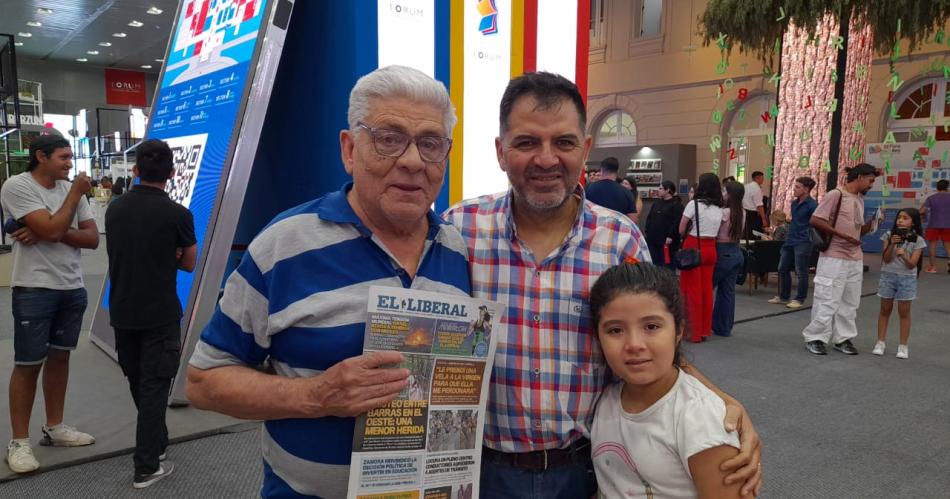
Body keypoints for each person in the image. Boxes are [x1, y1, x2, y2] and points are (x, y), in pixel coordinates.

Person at [445, 72, 761, 498]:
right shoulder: (459, 231)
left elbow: (651, 338)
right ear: (501, 151)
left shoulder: (620, 240)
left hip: (588, 471)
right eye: (527, 142)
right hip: (481, 470)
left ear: (585, 149)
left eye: (564, 142)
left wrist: (721, 401)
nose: (546, 159)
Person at [185, 65, 471, 498]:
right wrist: (317, 395)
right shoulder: (283, 246)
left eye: (430, 144)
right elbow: (204, 381)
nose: (413, 161)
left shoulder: (457, 249)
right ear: (350, 149)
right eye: (389, 138)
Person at [591, 262, 743, 499]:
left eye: (651, 326)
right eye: (615, 330)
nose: (634, 344)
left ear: (678, 330)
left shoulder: (700, 420)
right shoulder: (607, 400)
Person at [0, 135, 98, 473]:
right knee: (28, 364)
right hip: (34, 288)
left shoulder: (69, 189)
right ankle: (19, 441)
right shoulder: (17, 186)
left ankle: (55, 427)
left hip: (72, 287)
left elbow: (92, 239)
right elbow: (54, 231)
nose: (70, 164)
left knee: (60, 358)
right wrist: (59, 218)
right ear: (41, 157)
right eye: (63, 157)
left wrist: (44, 229)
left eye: (70, 157)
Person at [105, 139, 198, 488]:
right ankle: (146, 465)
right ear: (172, 173)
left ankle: (156, 443)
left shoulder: (114, 209)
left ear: (135, 171)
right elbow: (189, 262)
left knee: (139, 382)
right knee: (155, 387)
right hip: (160, 314)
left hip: (123, 311)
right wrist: (170, 254)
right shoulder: (179, 215)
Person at [803, 163, 883, 356]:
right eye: (870, 180)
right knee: (827, 298)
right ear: (860, 177)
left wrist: (873, 223)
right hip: (833, 257)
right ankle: (816, 337)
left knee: (850, 301)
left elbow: (857, 231)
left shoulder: (859, 199)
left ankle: (843, 338)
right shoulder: (835, 194)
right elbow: (816, 220)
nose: (871, 185)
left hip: (855, 258)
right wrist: (842, 235)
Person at [873, 208, 926, 359]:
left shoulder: (918, 240)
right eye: (899, 217)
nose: (900, 220)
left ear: (913, 222)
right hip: (888, 276)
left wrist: (903, 255)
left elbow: (912, 265)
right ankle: (880, 342)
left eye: (905, 218)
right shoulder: (889, 235)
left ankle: (903, 346)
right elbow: (886, 259)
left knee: (904, 312)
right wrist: (891, 244)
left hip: (907, 279)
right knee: (885, 310)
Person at [678, 173, 724, 343]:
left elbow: (681, 229)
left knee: (691, 290)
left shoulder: (693, 204)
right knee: (706, 290)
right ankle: (704, 330)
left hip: (693, 246)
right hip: (711, 248)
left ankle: (692, 331)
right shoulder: (720, 208)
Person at [769, 177, 817, 309]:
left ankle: (799, 299)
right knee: (782, 268)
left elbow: (815, 223)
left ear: (806, 189)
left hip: (803, 241)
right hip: (790, 240)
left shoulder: (813, 205)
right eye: (795, 186)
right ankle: (784, 296)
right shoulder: (794, 203)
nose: (794, 189)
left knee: (801, 271)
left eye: (797, 187)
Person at [712, 181, 745, 338]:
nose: (722, 194)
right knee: (728, 293)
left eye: (724, 191)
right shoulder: (742, 212)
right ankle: (724, 328)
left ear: (730, 194)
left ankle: (702, 323)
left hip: (722, 251)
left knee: (707, 288)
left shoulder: (724, 213)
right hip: (736, 251)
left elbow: (714, 230)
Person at [644, 180, 684, 268]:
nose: (658, 190)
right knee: (654, 264)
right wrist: (647, 230)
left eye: (661, 188)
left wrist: (670, 235)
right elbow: (649, 217)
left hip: (667, 241)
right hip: (653, 239)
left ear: (667, 190)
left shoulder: (676, 205)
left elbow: (676, 222)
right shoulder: (656, 203)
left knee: (667, 265)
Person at [585, 157, 638, 222]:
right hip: (617, 227)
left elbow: (581, 211)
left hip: (592, 227)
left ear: (601, 170)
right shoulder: (627, 193)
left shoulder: (588, 188)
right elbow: (632, 220)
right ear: (618, 171)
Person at [920, 178, 950, 273]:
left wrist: (923, 217)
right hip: (948, 225)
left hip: (933, 225)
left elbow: (922, 211)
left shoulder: (931, 198)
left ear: (937, 188)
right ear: (947, 188)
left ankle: (932, 267)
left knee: (932, 246)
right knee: (948, 247)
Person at [742, 171, 768, 239]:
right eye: (762, 178)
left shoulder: (746, 186)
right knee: (753, 232)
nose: (763, 180)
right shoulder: (757, 189)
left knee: (746, 231)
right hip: (752, 214)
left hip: (744, 211)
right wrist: (764, 219)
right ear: (757, 178)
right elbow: (759, 205)